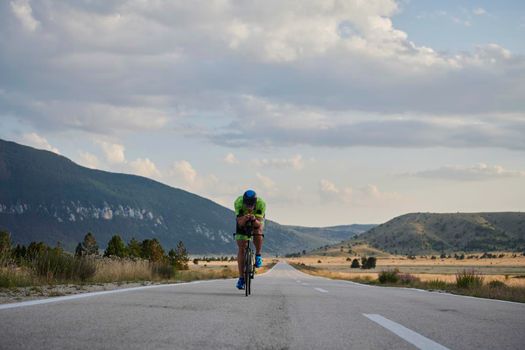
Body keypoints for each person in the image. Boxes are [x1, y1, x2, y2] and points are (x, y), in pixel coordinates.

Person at [234, 189, 266, 290]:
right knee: (241, 247)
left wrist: (253, 219)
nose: (248, 207)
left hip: (256, 219)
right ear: (243, 202)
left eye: (251, 205)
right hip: (242, 220)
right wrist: (245, 218)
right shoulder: (238, 202)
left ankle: (258, 255)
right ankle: (241, 278)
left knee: (258, 232)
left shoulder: (261, 204)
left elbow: (259, 224)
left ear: (255, 203)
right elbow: (240, 223)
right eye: (246, 205)